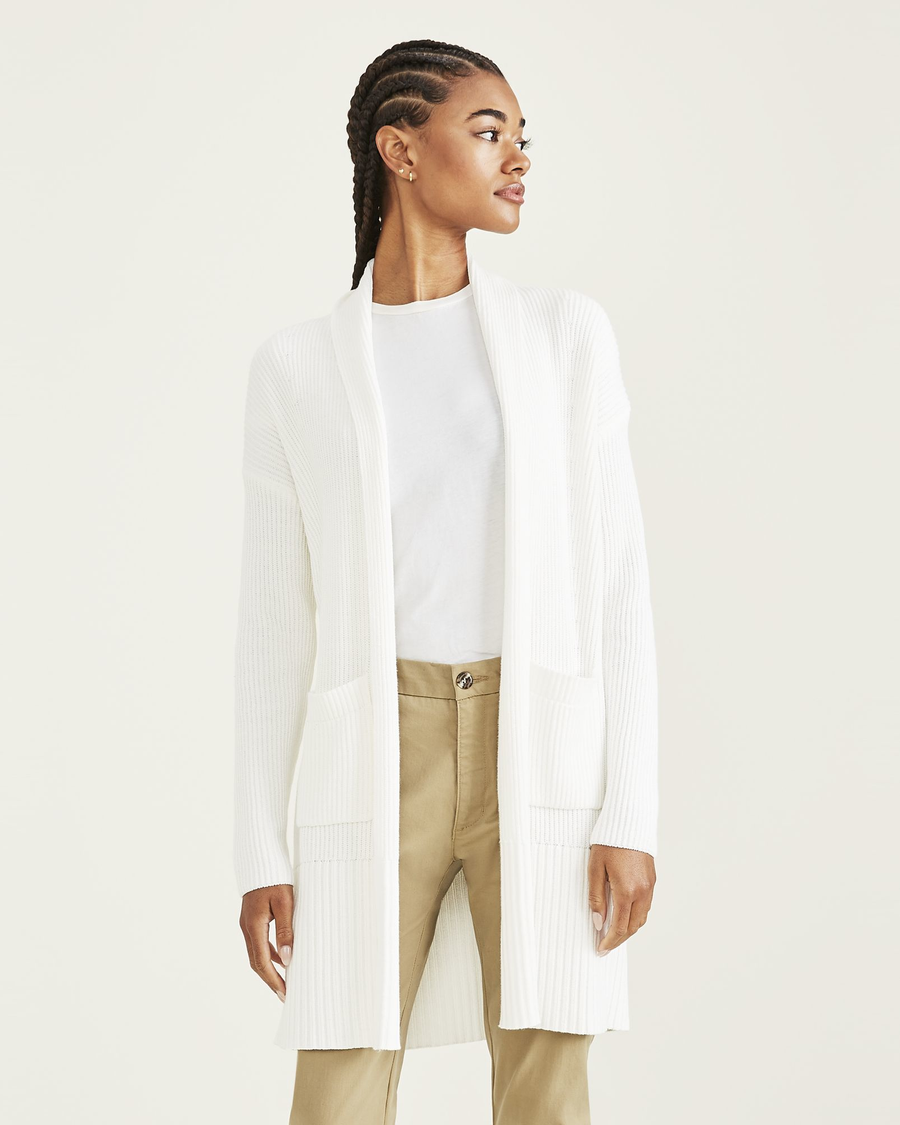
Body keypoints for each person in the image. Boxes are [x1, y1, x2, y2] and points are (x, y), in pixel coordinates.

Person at [233, 38, 659, 1125]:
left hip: (538, 734)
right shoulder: (298, 368)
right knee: (339, 1079)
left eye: (522, 138)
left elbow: (616, 581)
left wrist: (631, 811)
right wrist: (260, 848)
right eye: (488, 131)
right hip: (377, 743)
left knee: (547, 1081)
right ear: (401, 150)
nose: (518, 158)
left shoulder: (564, 337)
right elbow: (275, 627)